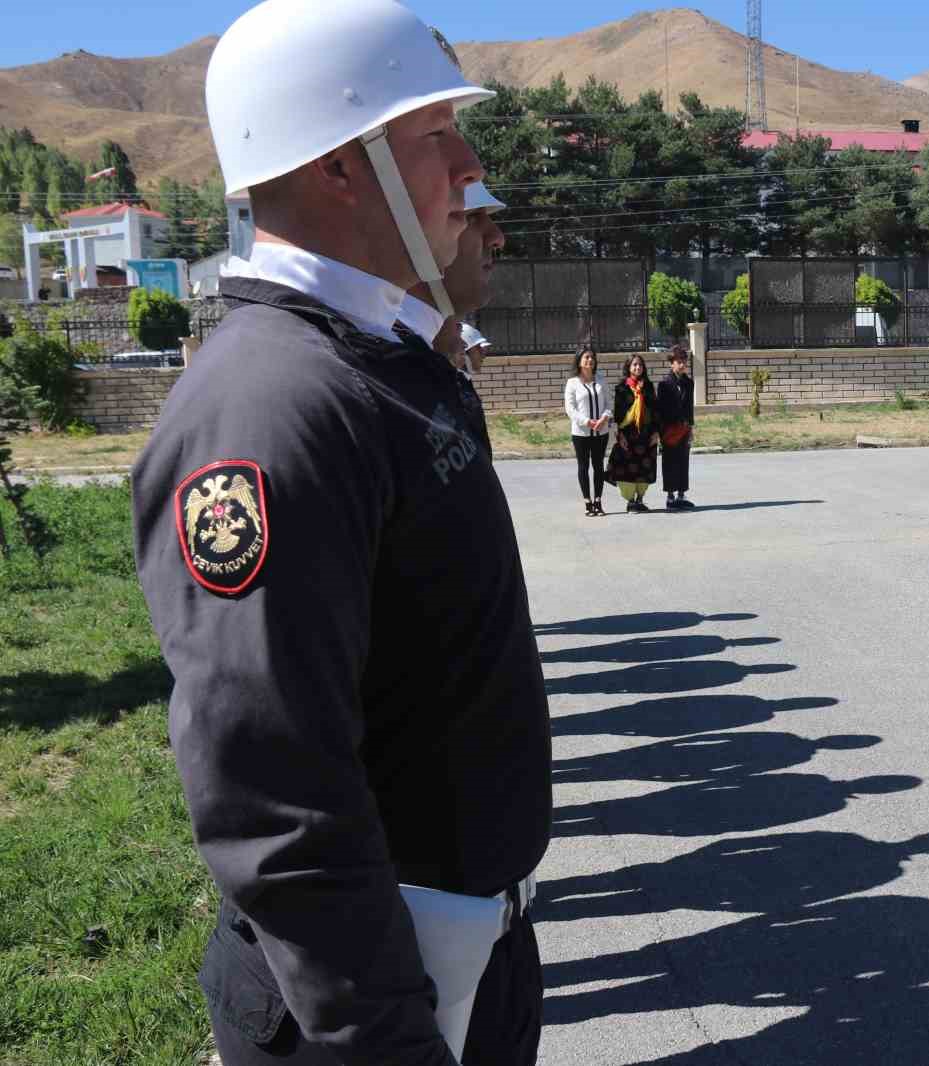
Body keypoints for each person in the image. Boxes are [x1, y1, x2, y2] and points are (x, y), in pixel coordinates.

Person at [128, 2, 551, 1063]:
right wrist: (380, 1036)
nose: (470, 166)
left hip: (462, 959)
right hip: (367, 1003)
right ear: (337, 166)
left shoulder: (379, 360)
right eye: (436, 135)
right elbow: (273, 786)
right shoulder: (271, 406)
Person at [396, 178, 506, 453]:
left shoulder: (429, 368)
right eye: (471, 216)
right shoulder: (389, 375)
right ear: (412, 235)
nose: (497, 237)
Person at [606, 353, 659, 513]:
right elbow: (618, 414)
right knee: (627, 468)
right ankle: (630, 501)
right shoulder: (622, 388)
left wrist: (656, 432)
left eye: (640, 365)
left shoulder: (648, 387)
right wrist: (619, 435)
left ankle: (640, 500)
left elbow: (656, 411)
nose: (638, 367)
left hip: (646, 435)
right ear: (628, 367)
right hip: (628, 435)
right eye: (634, 365)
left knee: (645, 467)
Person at [565, 346, 611, 516]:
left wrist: (604, 418)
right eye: (586, 357)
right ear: (579, 361)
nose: (589, 360)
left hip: (601, 431)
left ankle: (598, 501)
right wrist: (587, 422)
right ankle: (587, 502)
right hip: (581, 433)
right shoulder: (572, 383)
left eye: (592, 357)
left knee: (598, 466)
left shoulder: (601, 379)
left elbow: (609, 403)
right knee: (583, 466)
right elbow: (570, 409)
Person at [656, 344, 696, 509]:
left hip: (684, 428)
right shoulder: (664, 384)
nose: (682, 364)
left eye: (684, 361)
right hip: (669, 430)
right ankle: (670, 497)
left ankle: (681, 495)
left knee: (683, 461)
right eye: (678, 361)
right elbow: (660, 410)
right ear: (671, 363)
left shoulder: (689, 382)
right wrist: (661, 432)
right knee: (669, 462)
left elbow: (689, 407)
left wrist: (691, 427)